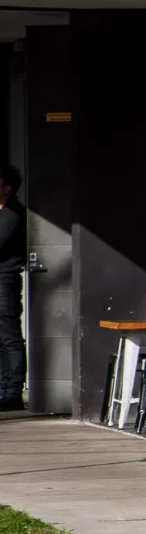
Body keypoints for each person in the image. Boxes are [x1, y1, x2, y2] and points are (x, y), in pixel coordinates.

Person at [0, 165, 25, 411]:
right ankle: (2, 389)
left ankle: (12, 392)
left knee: (9, 337)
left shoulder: (12, 215)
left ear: (7, 188)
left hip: (4, 282)